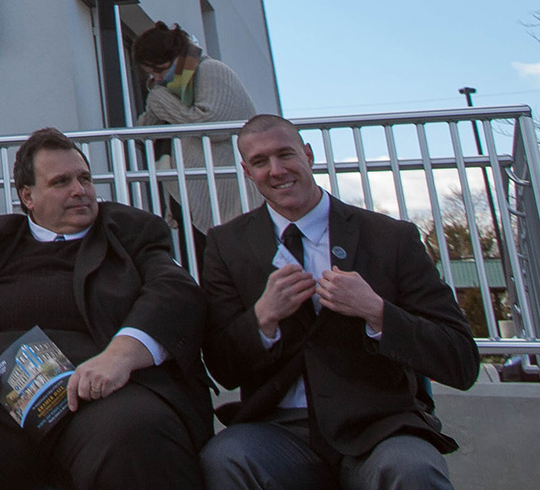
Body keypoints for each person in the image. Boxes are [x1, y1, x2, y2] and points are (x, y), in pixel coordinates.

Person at [0, 126, 210, 490]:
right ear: (28, 196)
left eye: (85, 178)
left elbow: (174, 291)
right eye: (62, 182)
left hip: (98, 391)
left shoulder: (129, 232)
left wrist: (120, 357)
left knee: (136, 431)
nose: (80, 190)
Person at [199, 114, 479, 490]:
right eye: (261, 162)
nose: (277, 170)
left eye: (286, 154)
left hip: (380, 428)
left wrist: (377, 312)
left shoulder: (389, 238)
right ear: (247, 172)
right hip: (277, 432)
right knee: (224, 458)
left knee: (413, 470)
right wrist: (262, 319)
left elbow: (460, 359)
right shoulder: (226, 245)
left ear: (309, 155)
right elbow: (222, 366)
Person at [137, 24, 259, 127]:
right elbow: (145, 130)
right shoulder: (171, 89)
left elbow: (211, 123)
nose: (157, 78)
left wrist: (158, 97)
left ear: (176, 55)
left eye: (160, 70)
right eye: (151, 73)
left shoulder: (210, 69)